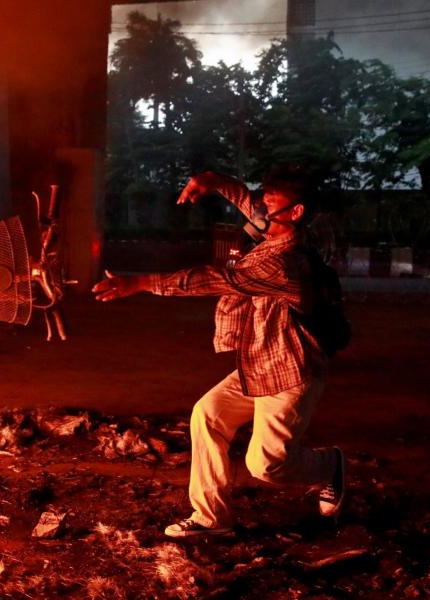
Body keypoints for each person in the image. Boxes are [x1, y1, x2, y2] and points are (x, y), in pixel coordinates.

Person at [92, 167, 345, 538]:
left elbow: (217, 279)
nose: (259, 214)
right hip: (259, 361)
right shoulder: (274, 229)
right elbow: (248, 202)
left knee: (266, 464)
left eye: (270, 208)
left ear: (296, 213)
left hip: (290, 372)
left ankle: (329, 466)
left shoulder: (283, 262)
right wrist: (216, 183)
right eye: (262, 205)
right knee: (208, 415)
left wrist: (143, 282)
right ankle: (211, 518)